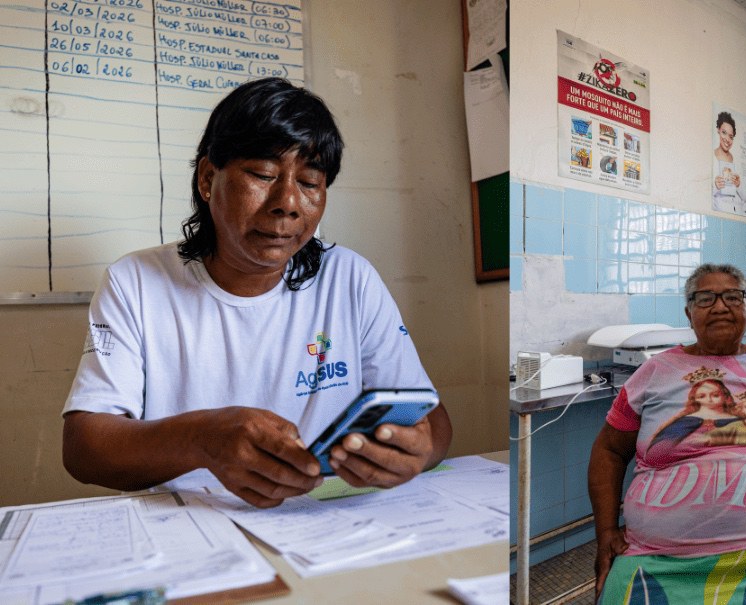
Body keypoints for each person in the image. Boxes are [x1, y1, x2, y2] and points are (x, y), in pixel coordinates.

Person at [62, 77, 453, 509]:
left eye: (309, 183)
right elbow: (84, 448)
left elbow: (432, 421)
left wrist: (417, 450)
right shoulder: (134, 281)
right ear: (208, 178)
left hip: (327, 522)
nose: (287, 202)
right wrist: (202, 439)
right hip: (193, 526)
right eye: (263, 174)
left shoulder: (350, 278)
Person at [588, 263, 746, 604]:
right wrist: (606, 532)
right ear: (688, 312)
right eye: (705, 298)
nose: (721, 306)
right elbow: (608, 450)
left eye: (733, 296)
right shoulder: (655, 372)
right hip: (659, 558)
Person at [712, 111, 746, 213]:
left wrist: (738, 185)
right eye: (724, 132)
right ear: (718, 130)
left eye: (731, 136)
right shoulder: (712, 160)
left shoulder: (737, 163)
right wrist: (716, 187)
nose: (727, 139)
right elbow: (704, 197)